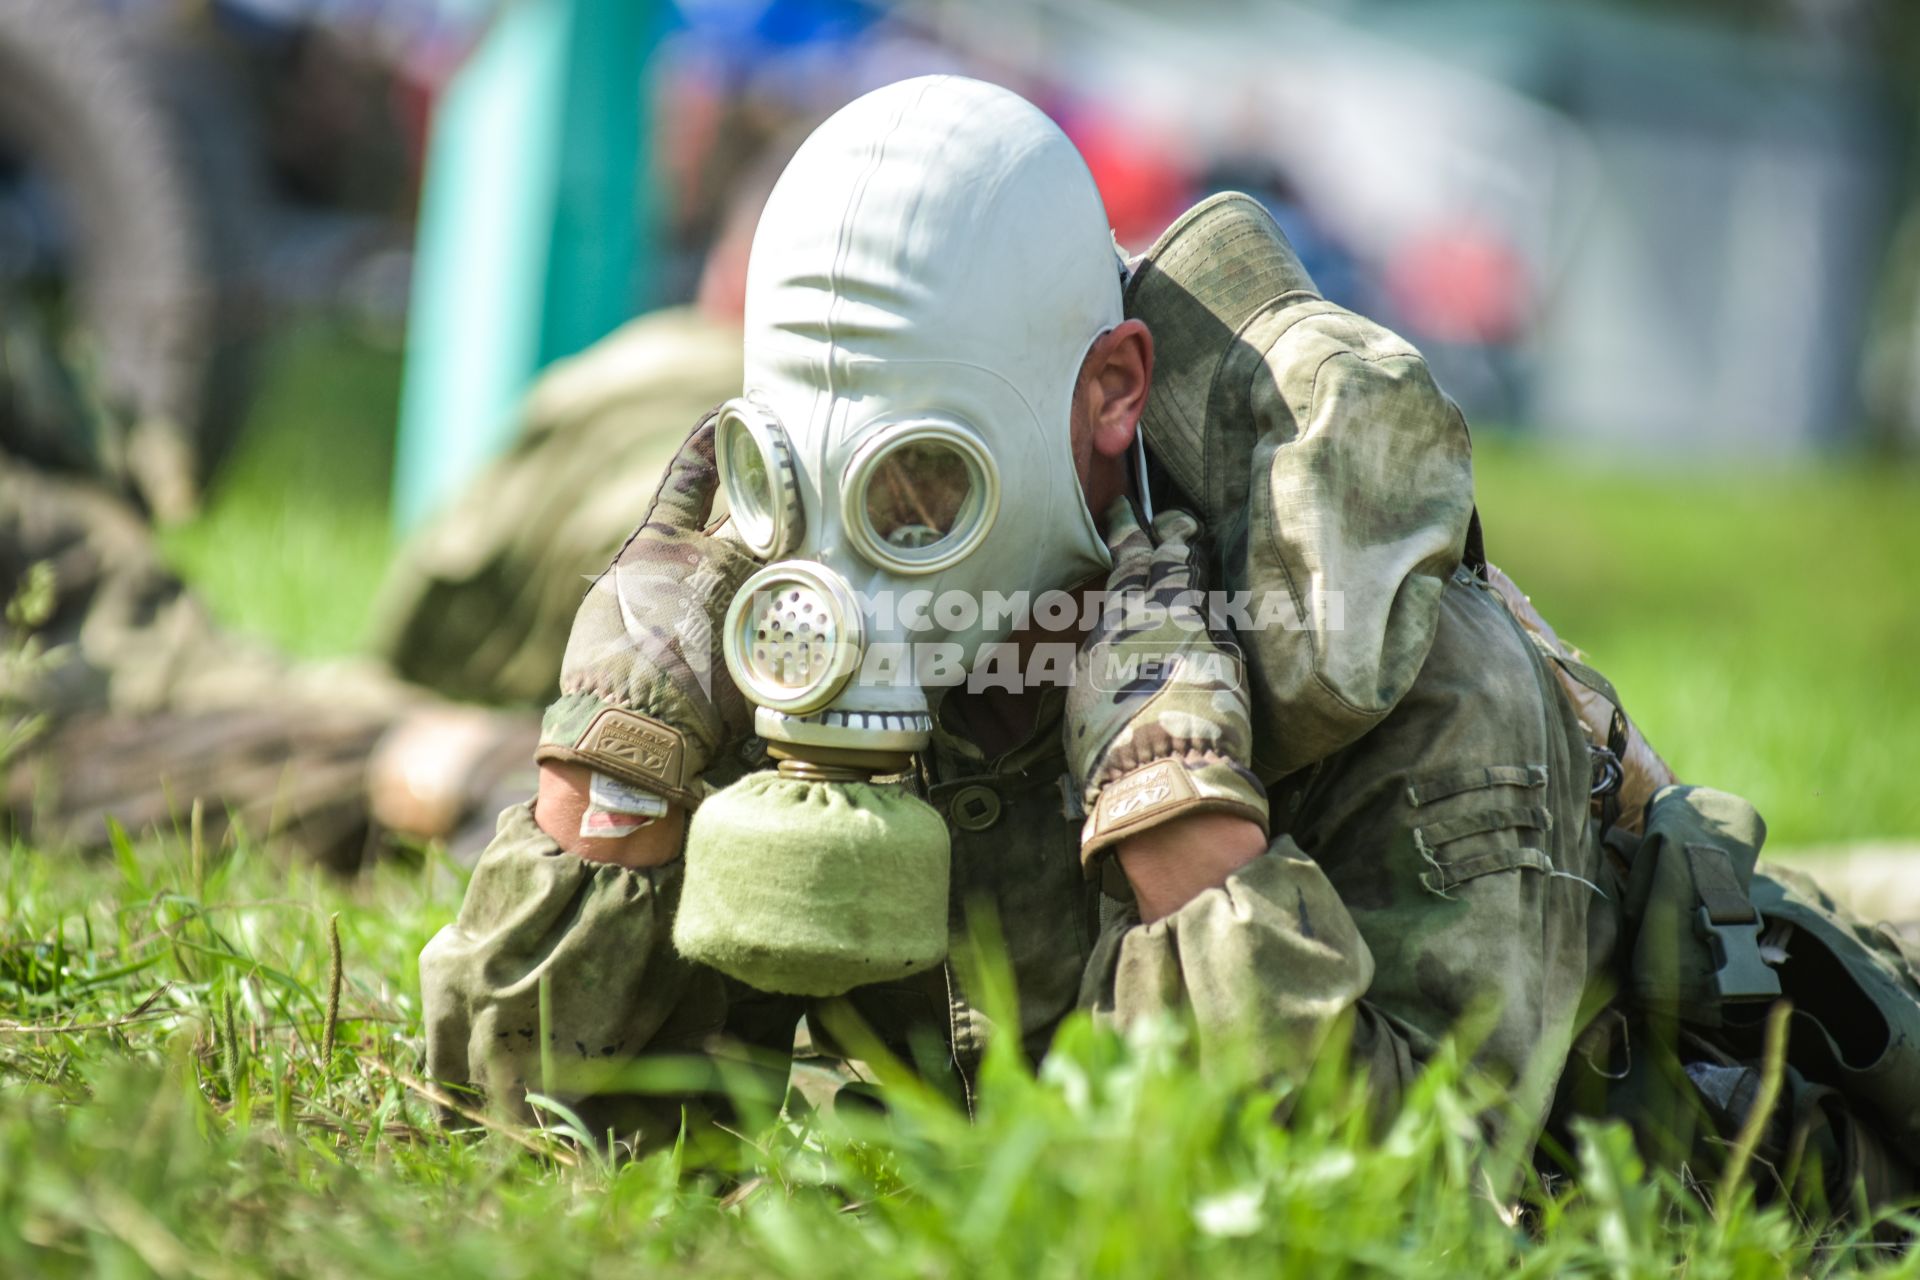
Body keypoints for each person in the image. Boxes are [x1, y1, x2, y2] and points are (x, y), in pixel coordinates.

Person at [419, 76, 1918, 1208]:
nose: (853, 559)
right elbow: (528, 1122)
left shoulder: (1381, 662)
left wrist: (1178, 811)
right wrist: (615, 767)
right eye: (790, 475)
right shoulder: (781, 608)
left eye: (925, 483)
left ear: (1113, 389)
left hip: (1714, 1100)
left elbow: (1373, 1200)